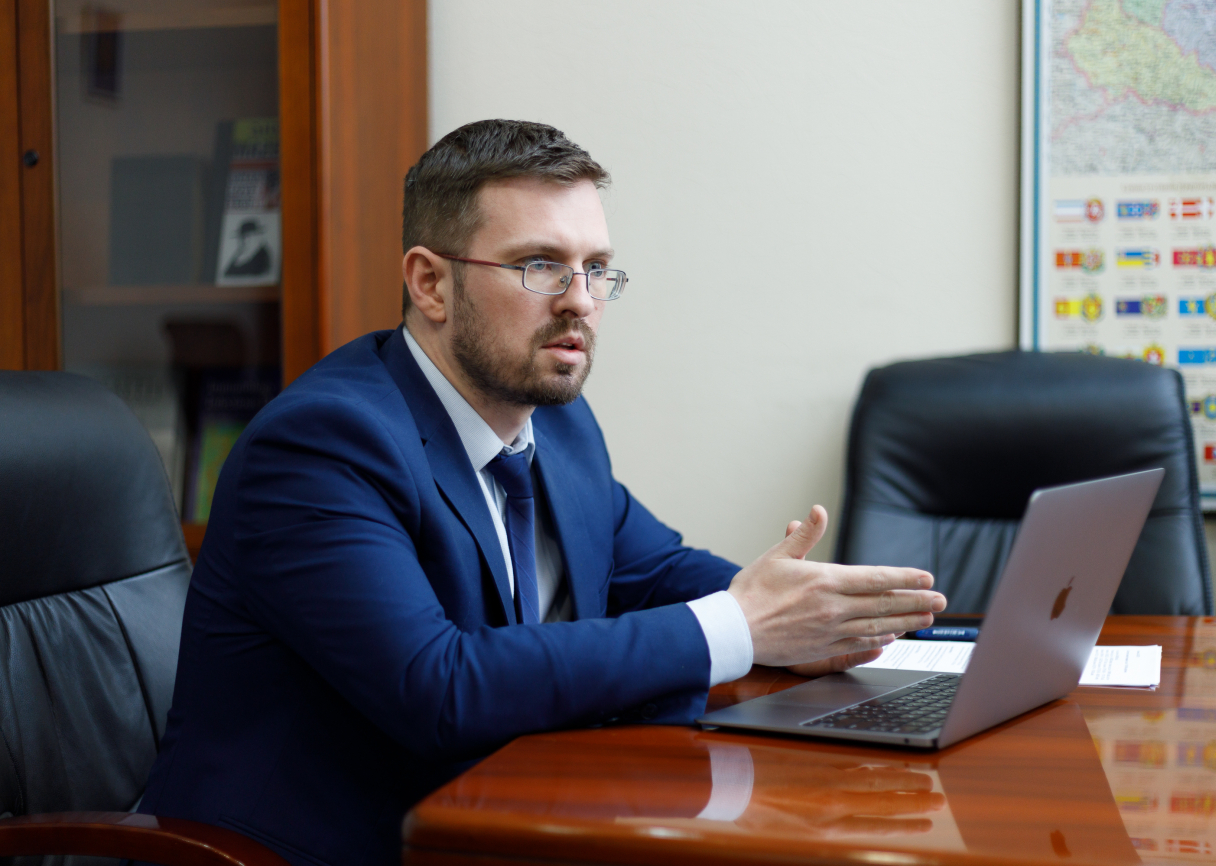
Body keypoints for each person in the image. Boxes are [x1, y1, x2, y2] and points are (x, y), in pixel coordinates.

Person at [137, 119, 946, 866]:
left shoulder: (556, 422)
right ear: (430, 283)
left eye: (595, 268)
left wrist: (820, 617)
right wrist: (739, 626)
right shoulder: (321, 445)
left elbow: (653, 571)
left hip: (495, 820)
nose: (581, 301)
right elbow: (438, 687)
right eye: (541, 266)